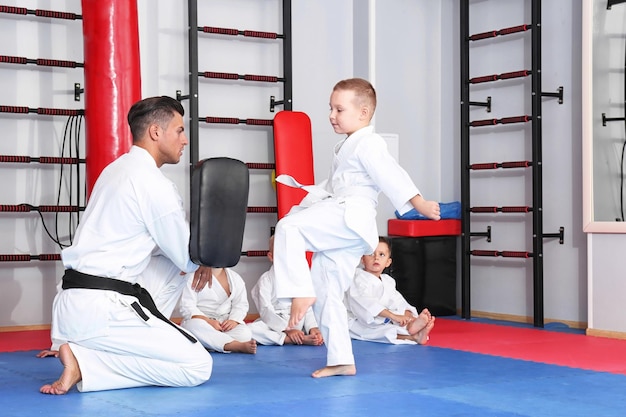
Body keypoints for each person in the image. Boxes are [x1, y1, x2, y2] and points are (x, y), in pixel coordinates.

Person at [40, 96, 214, 395]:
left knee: (169, 262)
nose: (184, 140)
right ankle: (87, 364)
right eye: (179, 130)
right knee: (198, 366)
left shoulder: (115, 170)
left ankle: (90, 353)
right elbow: (188, 258)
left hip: (73, 304)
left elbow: (164, 252)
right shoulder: (153, 183)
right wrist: (208, 257)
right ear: (156, 132)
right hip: (103, 310)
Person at [272, 78, 441, 378]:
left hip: (349, 217)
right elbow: (328, 189)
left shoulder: (369, 143)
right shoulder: (346, 147)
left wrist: (420, 203)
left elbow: (392, 174)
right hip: (347, 225)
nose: (331, 115)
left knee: (288, 229)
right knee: (325, 290)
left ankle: (300, 292)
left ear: (363, 113)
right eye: (330, 108)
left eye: (339, 109)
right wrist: (300, 207)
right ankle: (341, 359)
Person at [346, 237, 435, 345]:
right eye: (371, 254)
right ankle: (414, 336)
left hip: (383, 318)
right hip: (357, 319)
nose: (376, 258)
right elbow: (366, 304)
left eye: (381, 254)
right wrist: (393, 316)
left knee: (400, 317)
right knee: (383, 331)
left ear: (388, 262)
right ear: (362, 259)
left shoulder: (388, 281)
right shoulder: (358, 278)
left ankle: (412, 323)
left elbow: (397, 301)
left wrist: (406, 314)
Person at [247, 236, 324, 346]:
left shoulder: (301, 277)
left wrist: (313, 327)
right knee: (249, 330)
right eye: (281, 254)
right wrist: (286, 329)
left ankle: (305, 336)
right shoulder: (266, 280)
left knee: (328, 324)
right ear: (271, 256)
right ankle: (289, 339)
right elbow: (265, 310)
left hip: (299, 322)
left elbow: (307, 306)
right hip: (275, 324)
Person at [179, 267, 257, 354]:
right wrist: (208, 321)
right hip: (202, 321)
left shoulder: (235, 277)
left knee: (245, 333)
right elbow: (187, 306)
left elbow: (240, 305)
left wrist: (233, 320)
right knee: (192, 326)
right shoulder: (193, 276)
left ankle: (208, 342)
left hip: (224, 323)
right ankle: (234, 345)